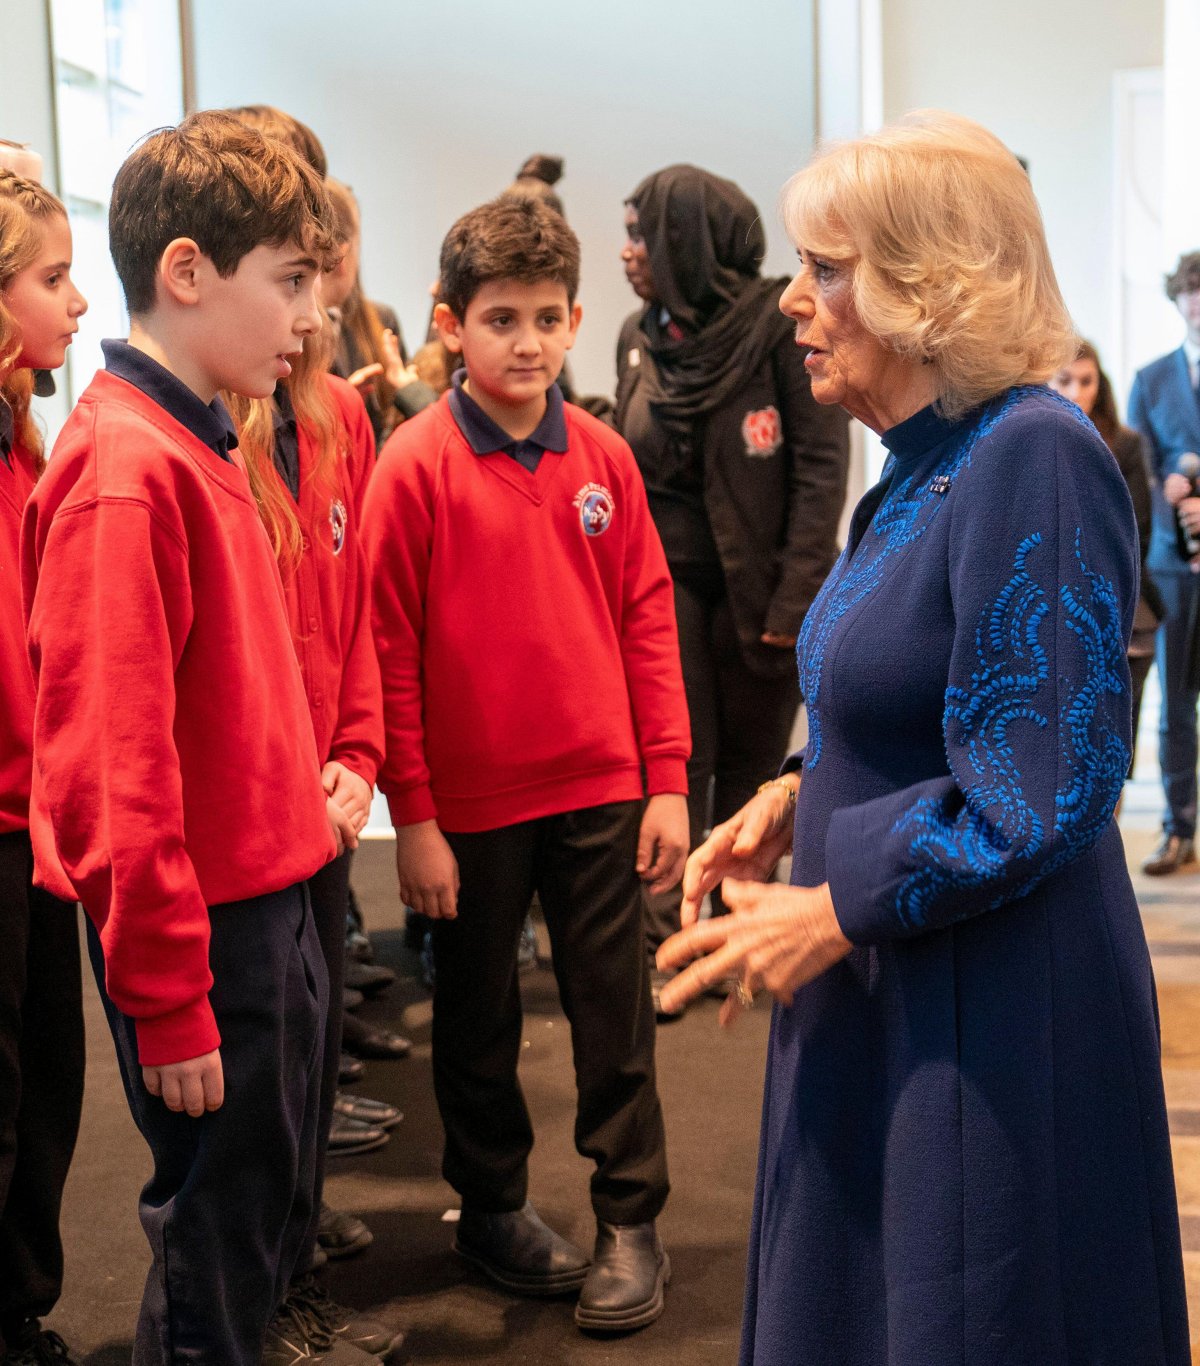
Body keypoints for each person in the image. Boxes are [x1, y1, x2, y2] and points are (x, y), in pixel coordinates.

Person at [657, 112, 1189, 1364]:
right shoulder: (927, 458)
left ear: (927, 281)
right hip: (907, 977)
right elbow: (900, 682)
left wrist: (834, 906)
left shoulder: (1035, 454)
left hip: (985, 1010)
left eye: (824, 270)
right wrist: (794, 792)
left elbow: (1044, 784)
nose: (793, 302)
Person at [20, 112, 364, 1366]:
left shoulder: (202, 435)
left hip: (270, 897)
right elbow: (112, 769)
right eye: (287, 285)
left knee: (262, 1213)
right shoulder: (126, 467)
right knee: (214, 1242)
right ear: (184, 272)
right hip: (205, 930)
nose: (307, 320)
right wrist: (166, 998)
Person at [362, 194, 690, 1333]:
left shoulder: (602, 457)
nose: (528, 342)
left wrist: (668, 776)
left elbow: (648, 615)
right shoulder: (412, 465)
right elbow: (387, 648)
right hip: (471, 808)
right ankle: (494, 1205)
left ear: (578, 318)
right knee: (478, 1017)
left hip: (601, 790)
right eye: (501, 317)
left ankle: (630, 1217)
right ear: (452, 325)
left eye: (549, 317)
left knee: (615, 1011)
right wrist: (414, 814)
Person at [220, 227, 404, 1363]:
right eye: (293, 276)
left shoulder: (337, 413)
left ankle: (290, 1270)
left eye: (319, 273)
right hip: (258, 810)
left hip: (327, 797)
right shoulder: (210, 437)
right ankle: (266, 1293)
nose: (313, 299)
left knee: (311, 1034)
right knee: (251, 1087)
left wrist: (360, 753)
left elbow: (356, 614)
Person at [614, 165, 848, 1015]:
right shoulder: (640, 336)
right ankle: (674, 945)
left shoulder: (777, 327)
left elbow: (820, 472)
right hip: (667, 591)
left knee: (752, 779)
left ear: (688, 240)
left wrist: (796, 605)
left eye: (643, 234)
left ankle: (744, 940)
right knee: (681, 766)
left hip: (764, 599)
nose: (629, 252)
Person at [0, 168, 87, 1366]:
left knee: (43, 1084)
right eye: (52, 278)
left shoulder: (26, 436)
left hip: (33, 818)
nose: (76, 305)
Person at [1050, 340, 1164, 786]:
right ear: (1047, 382)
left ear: (1102, 384)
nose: (1077, 392)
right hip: (1054, 610)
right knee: (1066, 758)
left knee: (1114, 755)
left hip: (1124, 610)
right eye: (1065, 381)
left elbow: (1137, 532)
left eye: (1086, 381)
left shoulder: (1125, 443)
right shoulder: (1028, 439)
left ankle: (1107, 852)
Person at [1128, 253, 1200, 874]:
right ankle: (1179, 828)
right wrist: (1168, 497)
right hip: (1172, 567)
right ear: (1176, 299)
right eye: (1190, 292)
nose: (1198, 302)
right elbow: (1134, 476)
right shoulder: (1150, 380)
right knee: (1175, 705)